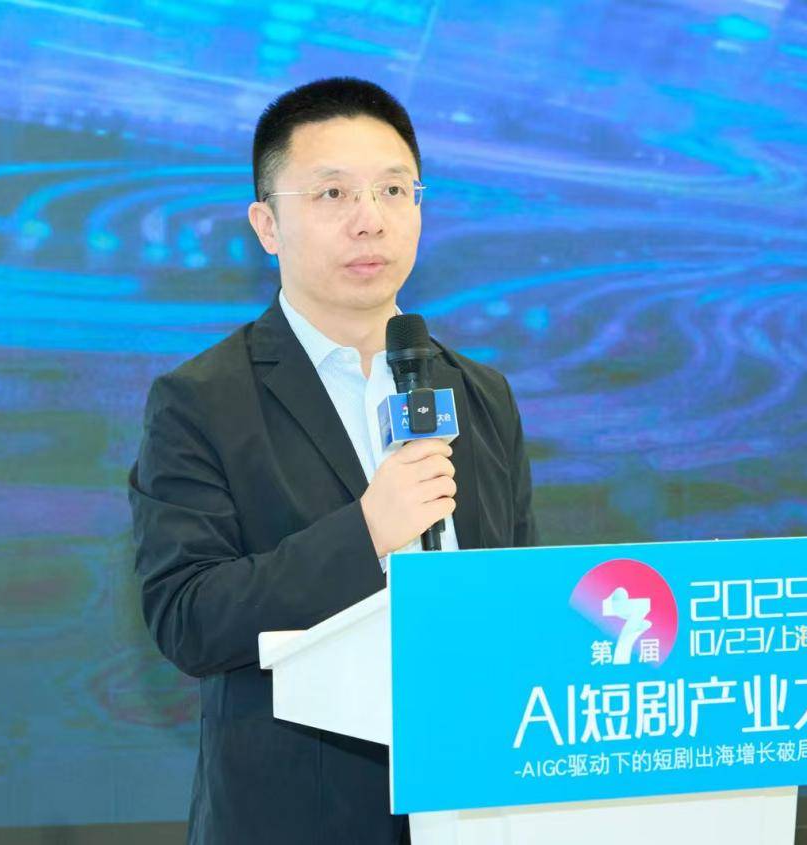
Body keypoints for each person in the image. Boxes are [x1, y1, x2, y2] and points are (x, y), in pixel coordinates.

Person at [127, 76, 538, 845]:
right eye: (332, 194)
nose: (369, 219)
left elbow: (515, 602)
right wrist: (368, 531)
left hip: (473, 812)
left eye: (393, 190)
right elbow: (190, 618)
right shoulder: (201, 400)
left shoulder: (480, 393)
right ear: (267, 224)